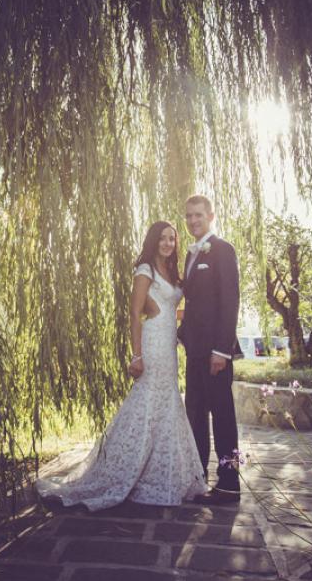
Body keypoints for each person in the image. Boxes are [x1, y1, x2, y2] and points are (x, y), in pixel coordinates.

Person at [36, 221, 208, 510]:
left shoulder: (171, 271)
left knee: (166, 404)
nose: (168, 243)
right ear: (153, 241)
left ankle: (160, 475)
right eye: (163, 238)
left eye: (172, 239)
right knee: (146, 401)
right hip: (152, 343)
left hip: (169, 346)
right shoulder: (145, 270)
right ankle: (120, 467)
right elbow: (134, 313)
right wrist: (136, 356)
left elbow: (170, 309)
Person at [178, 194, 242, 503]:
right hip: (194, 350)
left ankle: (229, 483)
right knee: (196, 414)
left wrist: (222, 350)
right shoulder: (190, 254)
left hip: (215, 352)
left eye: (198, 215)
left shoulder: (222, 250)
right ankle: (198, 475)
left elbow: (230, 301)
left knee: (223, 415)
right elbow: (194, 304)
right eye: (189, 216)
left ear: (211, 216)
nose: (193, 220)